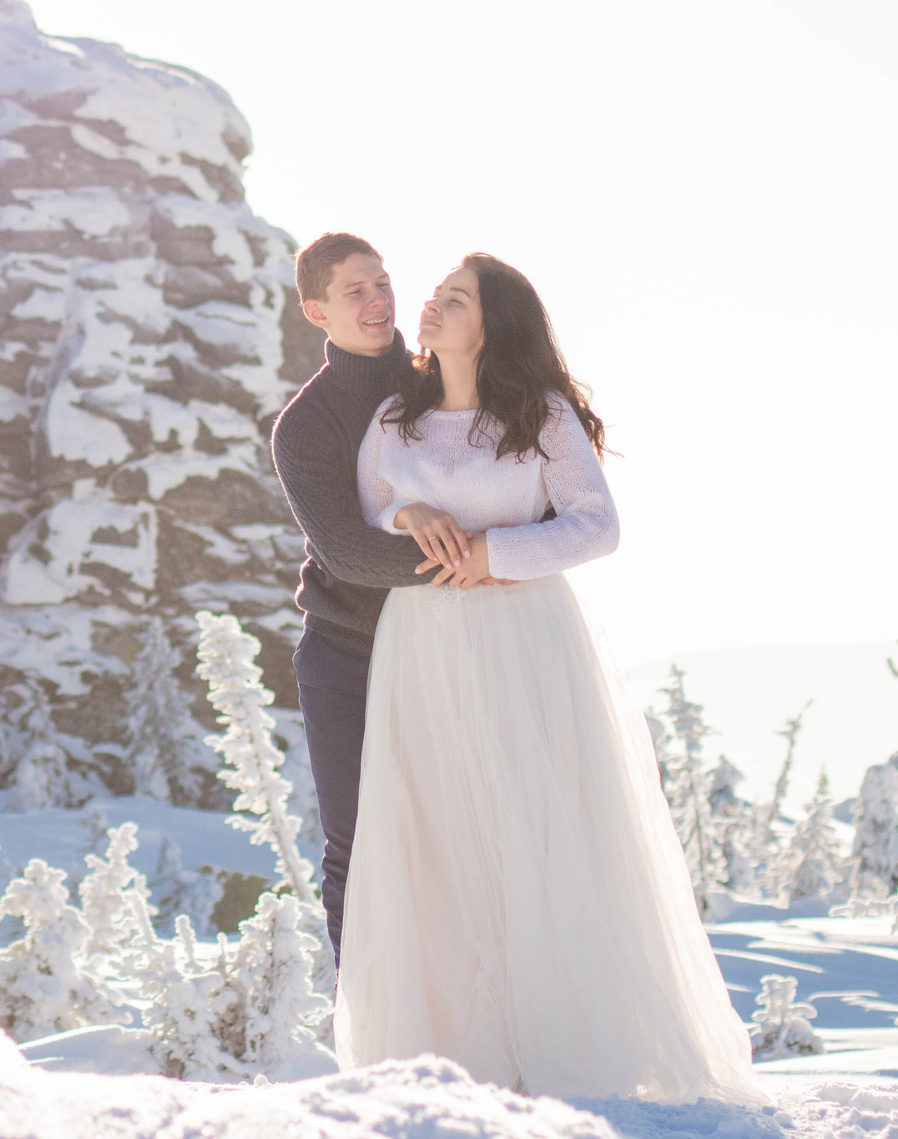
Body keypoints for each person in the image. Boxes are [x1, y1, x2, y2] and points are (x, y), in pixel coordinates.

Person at [332, 253, 758, 1103]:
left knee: (535, 829)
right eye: (438, 292)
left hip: (524, 643)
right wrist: (407, 511)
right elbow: (371, 508)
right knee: (439, 834)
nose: (431, 303)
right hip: (422, 648)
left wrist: (498, 553)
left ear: (493, 323)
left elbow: (597, 526)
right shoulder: (394, 415)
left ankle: (562, 1046)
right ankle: (455, 1052)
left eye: (455, 298)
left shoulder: (541, 415)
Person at [269, 233, 436, 960]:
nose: (378, 300)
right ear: (316, 310)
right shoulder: (305, 424)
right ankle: (367, 1024)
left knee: (453, 835)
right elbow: (347, 551)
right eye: (355, 291)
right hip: (347, 655)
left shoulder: (445, 382)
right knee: (359, 844)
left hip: (444, 643)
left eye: (383, 282)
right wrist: (476, 563)